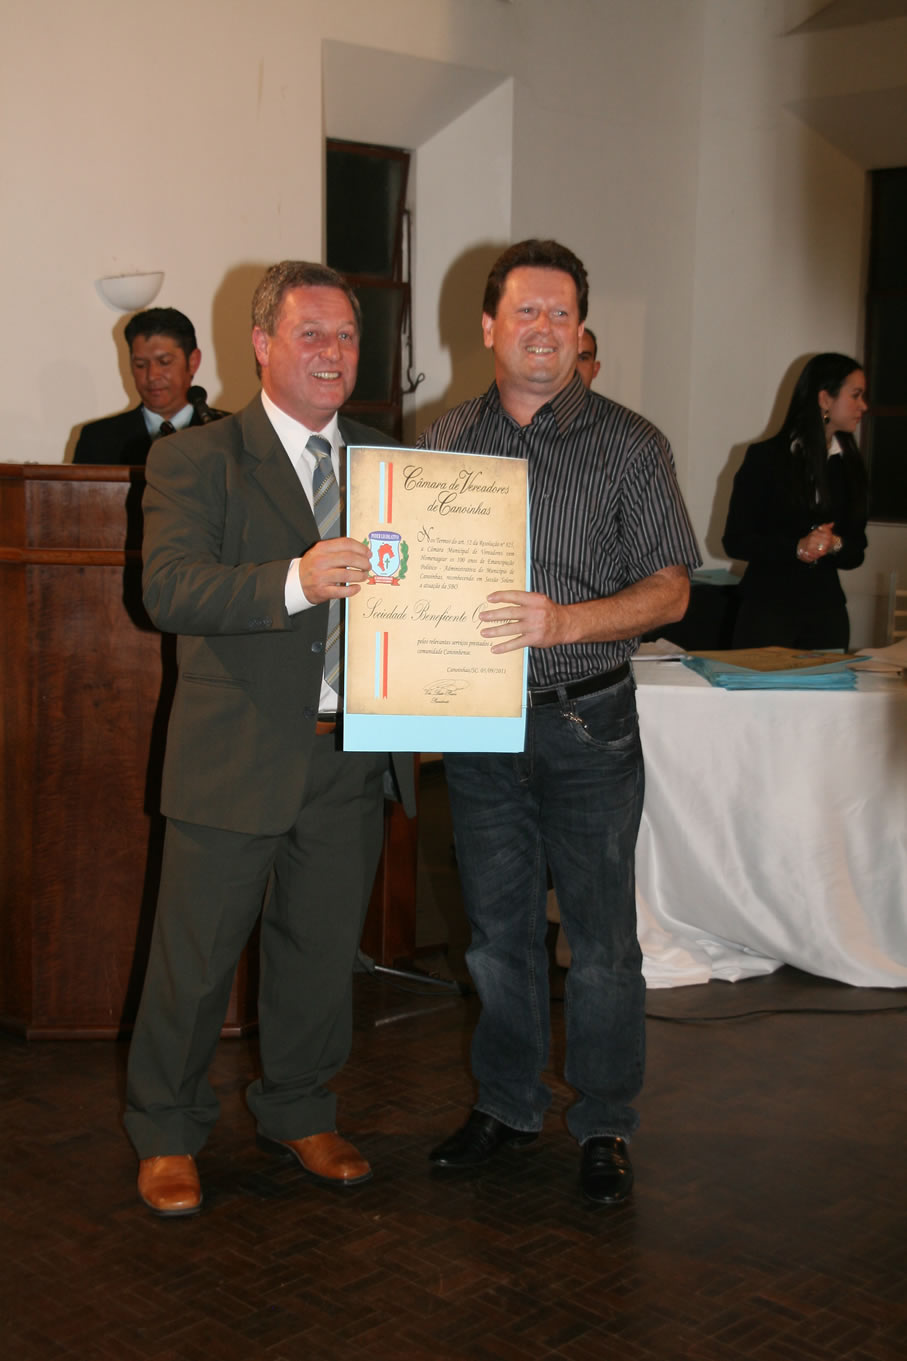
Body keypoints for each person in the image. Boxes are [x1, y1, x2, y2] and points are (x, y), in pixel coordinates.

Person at [125, 261, 415, 1216]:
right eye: (311, 333)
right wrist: (295, 579)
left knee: (319, 955)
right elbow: (167, 589)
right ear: (262, 345)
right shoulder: (196, 458)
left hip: (348, 754)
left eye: (347, 336)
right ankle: (166, 1130)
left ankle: (300, 1109)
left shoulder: (390, 464)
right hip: (233, 754)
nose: (333, 352)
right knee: (194, 960)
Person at [419, 239, 700, 1205]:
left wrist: (564, 622)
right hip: (479, 727)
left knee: (601, 941)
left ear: (580, 330)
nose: (543, 328)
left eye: (560, 312)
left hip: (588, 722)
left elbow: (670, 592)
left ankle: (604, 1121)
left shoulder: (632, 442)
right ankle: (506, 1104)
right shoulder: (444, 438)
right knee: (495, 937)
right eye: (524, 311)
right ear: (488, 325)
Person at [723, 353, 869, 650]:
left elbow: (856, 552)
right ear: (825, 399)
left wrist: (833, 543)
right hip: (767, 613)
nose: (863, 406)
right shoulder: (765, 458)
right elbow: (735, 541)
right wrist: (797, 547)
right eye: (855, 395)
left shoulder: (850, 465)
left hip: (826, 615)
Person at [73, 308, 227, 464]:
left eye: (164, 362)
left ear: (193, 361)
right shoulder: (97, 440)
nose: (152, 375)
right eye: (140, 365)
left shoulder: (227, 432)